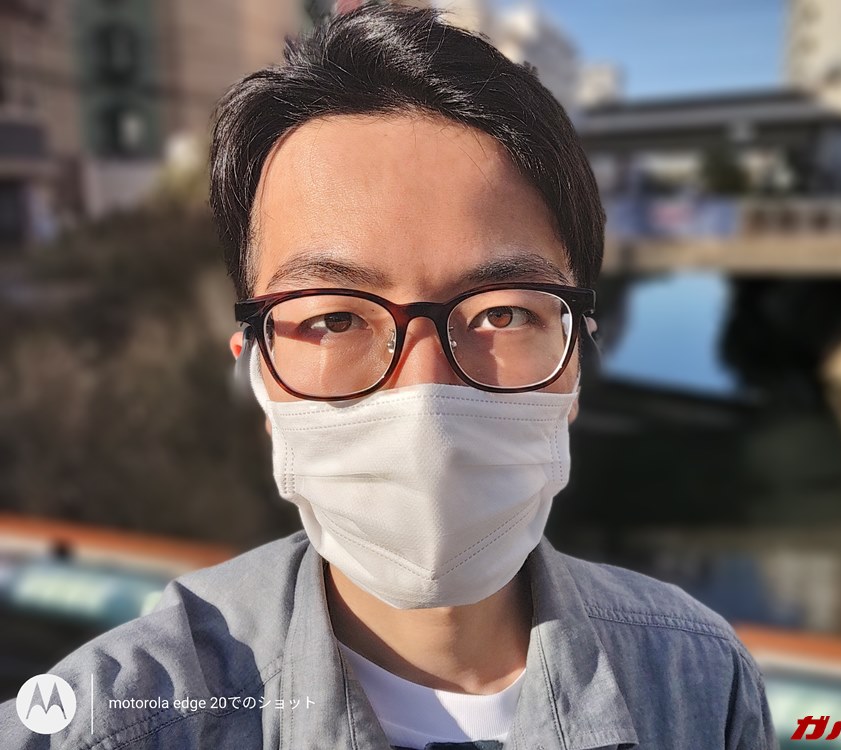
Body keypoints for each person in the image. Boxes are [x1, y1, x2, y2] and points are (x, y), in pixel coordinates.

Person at [1, 6, 778, 748]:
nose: (424, 397)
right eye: (335, 319)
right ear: (260, 375)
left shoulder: (700, 682)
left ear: (573, 360)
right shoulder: (116, 720)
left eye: (503, 312)